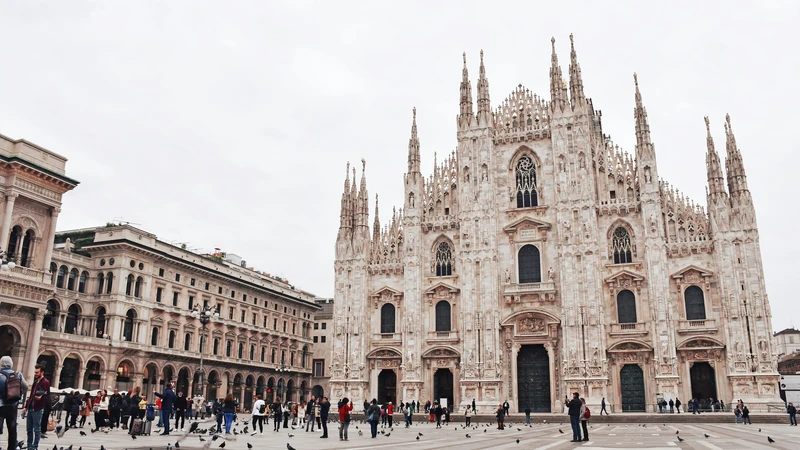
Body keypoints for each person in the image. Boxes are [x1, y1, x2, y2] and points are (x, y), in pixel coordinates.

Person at [0, 355, 28, 450]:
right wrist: (18, 395)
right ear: (11, 363)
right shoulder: (18, 374)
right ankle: (11, 447)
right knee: (12, 429)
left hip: (0, 405)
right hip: (12, 405)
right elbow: (26, 387)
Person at [23, 364, 50, 450]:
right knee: (29, 429)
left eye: (37, 372)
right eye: (35, 372)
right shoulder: (35, 382)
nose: (35, 374)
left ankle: (35, 446)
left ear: (42, 372)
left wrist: (41, 397)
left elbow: (46, 395)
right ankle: (29, 445)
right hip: (31, 407)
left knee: (36, 429)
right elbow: (31, 395)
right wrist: (26, 406)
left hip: (38, 408)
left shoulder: (45, 382)